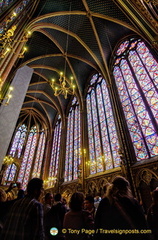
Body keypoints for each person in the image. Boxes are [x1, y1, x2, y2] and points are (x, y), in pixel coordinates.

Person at [94, 176, 150, 240]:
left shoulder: (105, 202)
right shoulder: (132, 201)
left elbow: (98, 223)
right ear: (126, 188)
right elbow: (142, 223)